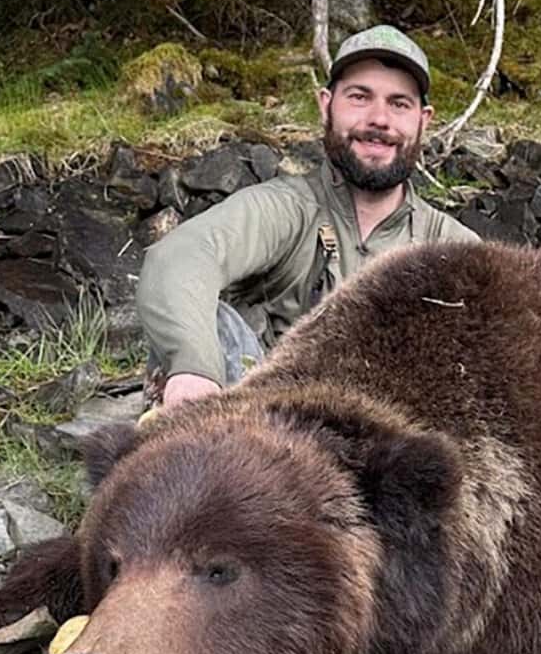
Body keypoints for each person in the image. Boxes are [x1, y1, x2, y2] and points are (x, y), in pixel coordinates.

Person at [137, 25, 481, 409]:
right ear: (326, 104)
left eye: (399, 104)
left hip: (395, 446)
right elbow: (182, 256)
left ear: (423, 120)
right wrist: (195, 369)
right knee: (211, 324)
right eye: (360, 97)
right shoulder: (285, 210)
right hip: (263, 433)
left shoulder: (457, 251)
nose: (380, 119)